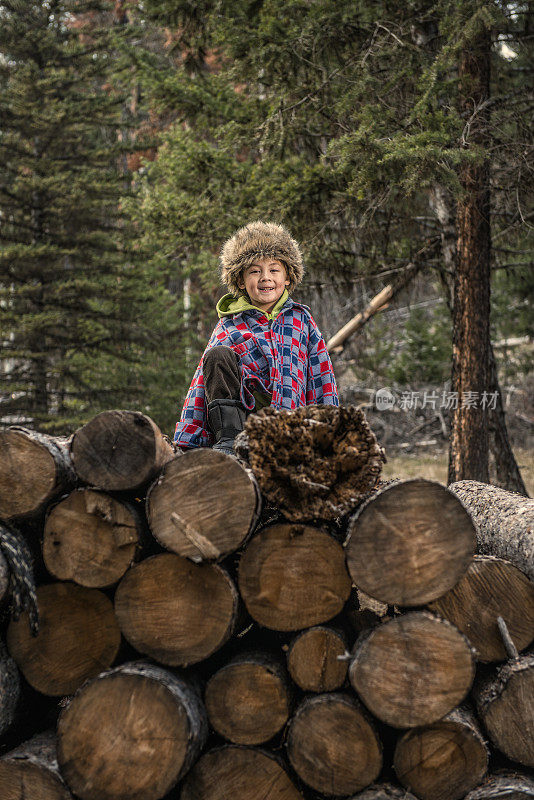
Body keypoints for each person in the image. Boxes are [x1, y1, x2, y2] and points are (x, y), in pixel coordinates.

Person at [174, 220, 338, 454]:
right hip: (243, 423)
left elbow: (321, 376)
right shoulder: (229, 324)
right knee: (216, 355)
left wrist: (330, 432)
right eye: (254, 271)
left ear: (288, 277)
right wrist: (188, 436)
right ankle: (229, 441)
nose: (265, 277)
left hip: (290, 426)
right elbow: (202, 384)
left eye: (274, 270)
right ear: (240, 280)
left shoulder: (301, 321)